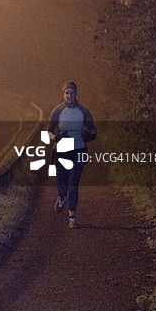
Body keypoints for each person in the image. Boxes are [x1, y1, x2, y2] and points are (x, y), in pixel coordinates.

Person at [47, 82, 97, 229]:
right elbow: (48, 132)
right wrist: (55, 138)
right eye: (67, 93)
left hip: (79, 150)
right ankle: (61, 197)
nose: (70, 96)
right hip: (61, 151)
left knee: (74, 185)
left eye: (72, 93)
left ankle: (72, 218)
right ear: (63, 94)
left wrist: (89, 136)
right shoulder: (57, 111)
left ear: (76, 95)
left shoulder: (84, 111)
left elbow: (93, 130)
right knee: (63, 185)